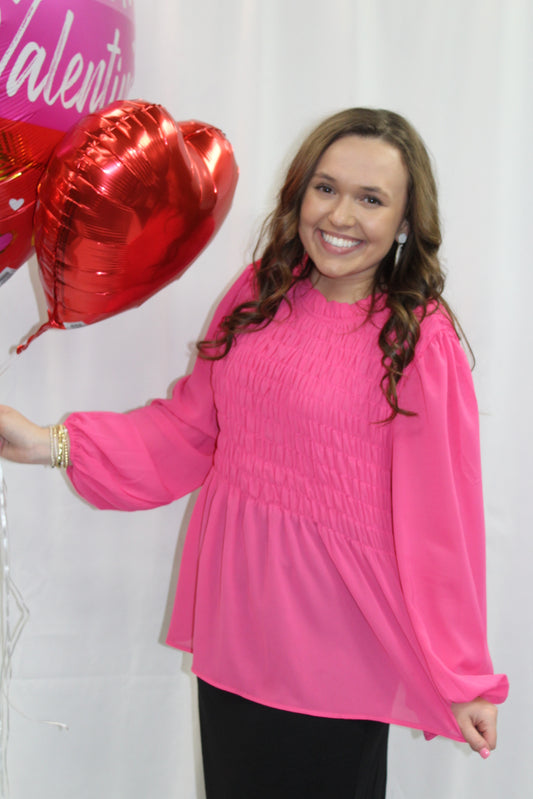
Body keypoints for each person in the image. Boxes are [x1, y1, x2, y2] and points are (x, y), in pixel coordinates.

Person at [0, 108, 508, 798]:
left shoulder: (417, 338)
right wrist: (48, 442)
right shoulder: (258, 296)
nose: (341, 215)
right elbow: (188, 432)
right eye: (325, 188)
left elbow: (439, 523)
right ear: (298, 193)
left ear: (404, 222)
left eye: (371, 199)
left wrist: (464, 674)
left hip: (338, 649)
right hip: (237, 630)